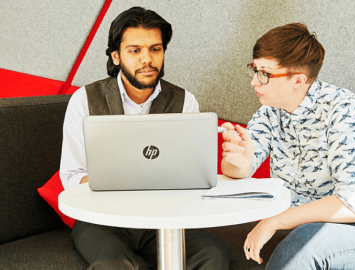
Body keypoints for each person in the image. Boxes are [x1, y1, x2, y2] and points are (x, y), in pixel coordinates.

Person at [220, 23, 355, 269]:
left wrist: (273, 221)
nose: (255, 81)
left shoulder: (345, 111)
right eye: (254, 70)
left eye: (264, 73)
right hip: (309, 228)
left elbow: (352, 204)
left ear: (298, 80)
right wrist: (238, 161)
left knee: (303, 247)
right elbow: (239, 170)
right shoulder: (269, 113)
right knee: (211, 237)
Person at [60, 7, 230, 270]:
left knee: (214, 255)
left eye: (155, 49)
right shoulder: (84, 100)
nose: (147, 59)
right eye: (135, 50)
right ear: (116, 56)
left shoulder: (185, 101)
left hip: (164, 220)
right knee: (114, 265)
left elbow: (196, 174)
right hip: (102, 222)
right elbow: (71, 176)